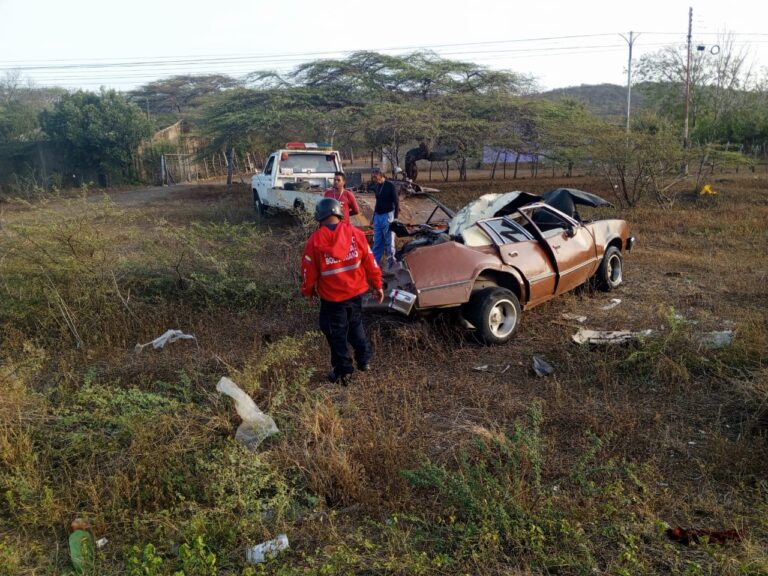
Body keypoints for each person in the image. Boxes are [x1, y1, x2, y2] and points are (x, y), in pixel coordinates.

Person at [301, 198, 384, 384]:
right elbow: (371, 262)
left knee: (334, 332)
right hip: (355, 294)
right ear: (339, 213)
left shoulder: (314, 242)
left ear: (319, 217)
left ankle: (343, 371)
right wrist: (377, 285)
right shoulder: (357, 234)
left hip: (332, 299)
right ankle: (364, 359)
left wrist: (308, 292)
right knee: (355, 324)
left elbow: (308, 271)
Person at [370, 167, 399, 268]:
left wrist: (395, 218)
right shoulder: (377, 186)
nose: (374, 178)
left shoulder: (390, 186)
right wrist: (373, 217)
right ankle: (374, 266)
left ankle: (391, 265)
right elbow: (378, 202)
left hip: (387, 216)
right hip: (378, 216)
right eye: (373, 176)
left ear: (382, 175)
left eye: (376, 176)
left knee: (389, 241)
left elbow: (396, 202)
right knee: (377, 241)